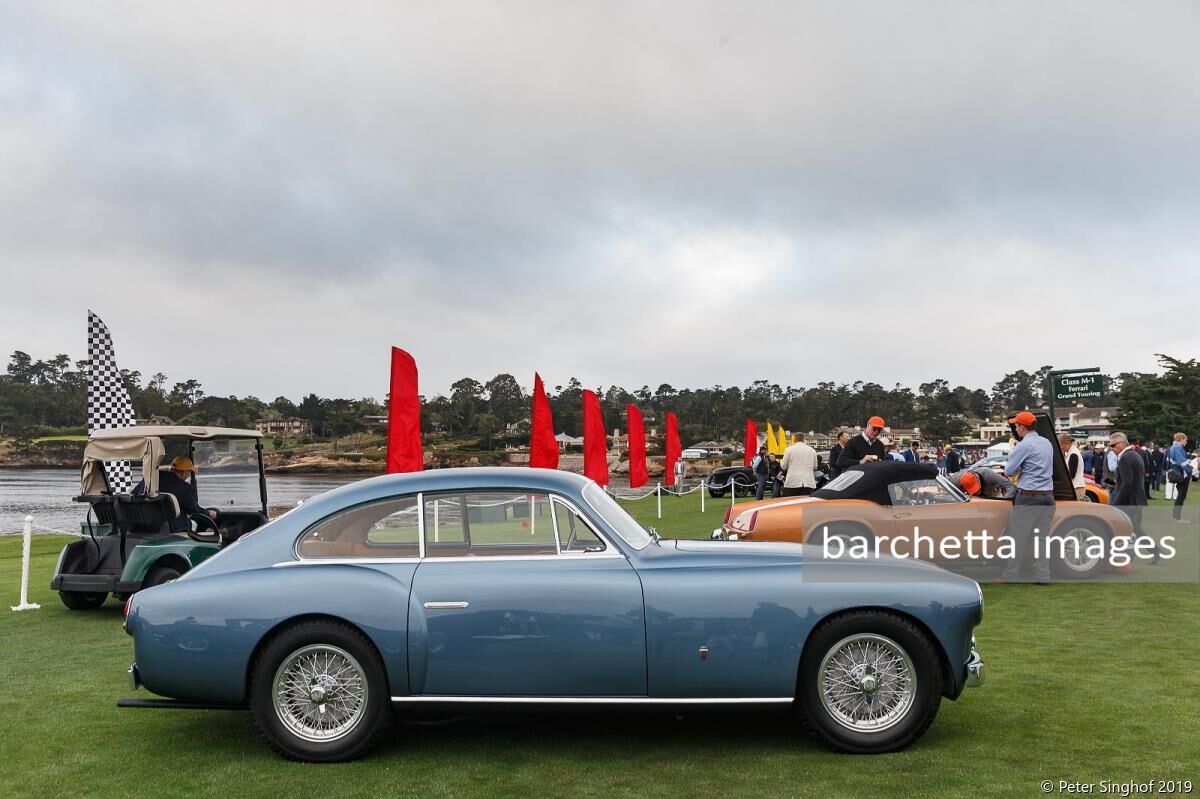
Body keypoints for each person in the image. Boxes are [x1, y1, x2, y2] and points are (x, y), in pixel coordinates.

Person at [1001, 411, 1055, 583]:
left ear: (1022, 427)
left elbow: (1009, 471)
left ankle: (1011, 575)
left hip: (1028, 497)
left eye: (1016, 426)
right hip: (1048, 496)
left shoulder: (1023, 445)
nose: (1016, 428)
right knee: (1042, 539)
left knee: (1018, 537)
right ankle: (1043, 576)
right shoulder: (1047, 443)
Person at [1109, 432, 1157, 562]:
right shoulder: (1134, 455)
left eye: (1114, 445)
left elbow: (1127, 483)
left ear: (1123, 442)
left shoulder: (1126, 457)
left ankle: (1136, 555)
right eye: (1111, 446)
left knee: (1131, 530)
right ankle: (1153, 552)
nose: (1112, 448)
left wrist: (1116, 503)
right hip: (1136, 499)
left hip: (1129, 501)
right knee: (1135, 530)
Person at [156, 456, 217, 534]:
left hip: (152, 525)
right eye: (189, 472)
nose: (188, 475)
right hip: (174, 530)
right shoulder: (183, 487)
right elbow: (194, 510)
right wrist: (209, 514)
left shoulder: (153, 480)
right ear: (183, 472)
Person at [780, 432, 819, 496]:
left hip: (792, 481)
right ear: (803, 439)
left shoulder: (788, 449)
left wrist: (781, 462)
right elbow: (815, 467)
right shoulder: (812, 450)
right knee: (806, 504)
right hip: (808, 482)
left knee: (791, 503)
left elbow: (783, 466)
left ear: (794, 439)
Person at [949, 465, 1017, 499]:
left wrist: (1005, 501)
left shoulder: (988, 474)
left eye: (976, 489)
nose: (976, 492)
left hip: (991, 497)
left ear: (978, 478)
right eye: (973, 490)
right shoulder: (954, 482)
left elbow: (1009, 486)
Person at [1166, 432, 1192, 522]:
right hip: (1181, 474)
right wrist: (1190, 471)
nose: (1186, 441)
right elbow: (1182, 462)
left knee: (1181, 496)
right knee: (1181, 496)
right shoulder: (1177, 448)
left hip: (1179, 473)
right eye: (1185, 439)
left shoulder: (1174, 447)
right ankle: (1176, 518)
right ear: (1181, 439)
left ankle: (1176, 517)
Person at [1059, 433, 1086, 501]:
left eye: (1061, 445)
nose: (1061, 448)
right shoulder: (1072, 452)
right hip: (1076, 487)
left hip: (1076, 488)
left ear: (1065, 443)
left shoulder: (1073, 454)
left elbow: (1072, 474)